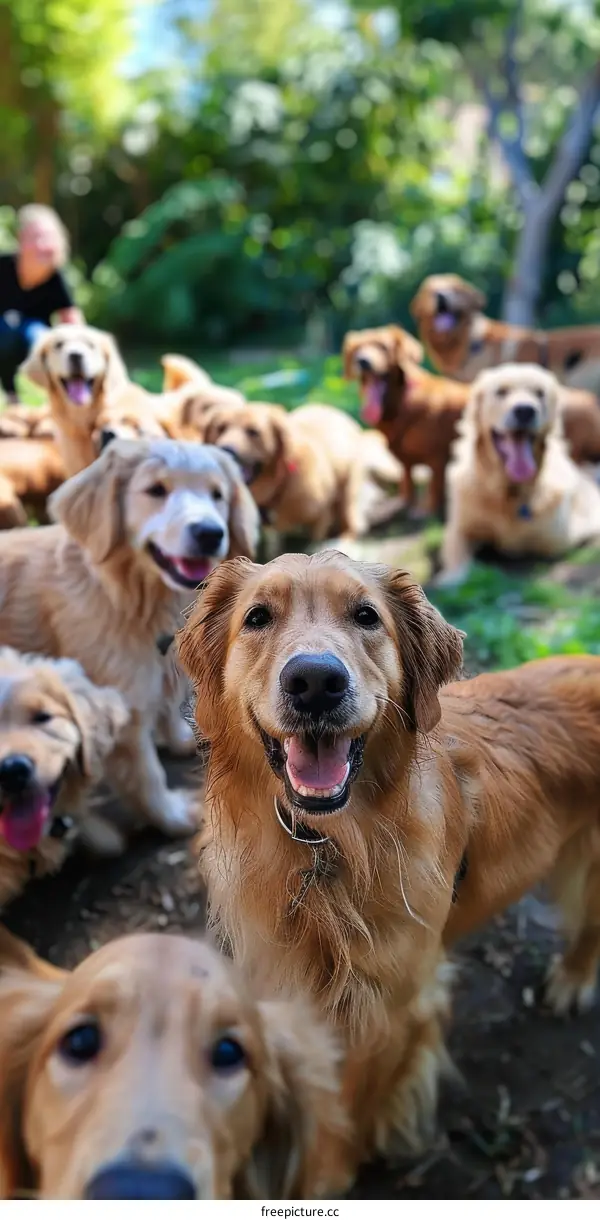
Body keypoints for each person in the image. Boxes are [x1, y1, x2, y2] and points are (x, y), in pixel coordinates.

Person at [0, 204, 84, 403]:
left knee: (38, 334)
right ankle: (11, 394)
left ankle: (56, 399)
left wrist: (82, 351)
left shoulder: (55, 278)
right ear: (21, 240)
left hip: (34, 345)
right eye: (36, 237)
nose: (43, 245)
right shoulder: (3, 268)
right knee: (8, 326)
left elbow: (72, 320)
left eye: (48, 238)